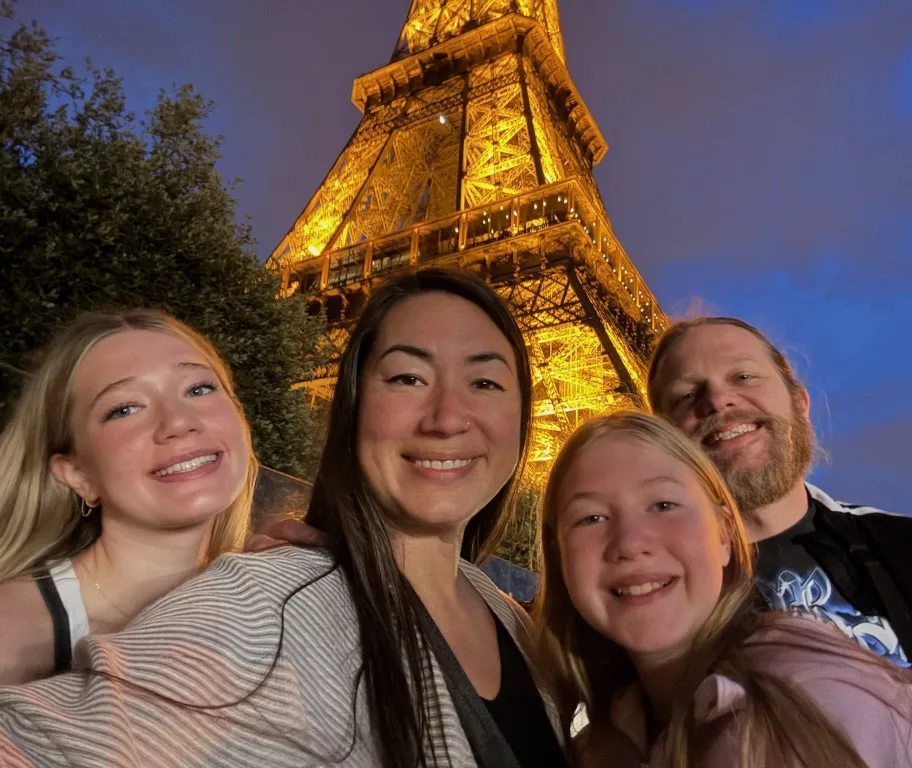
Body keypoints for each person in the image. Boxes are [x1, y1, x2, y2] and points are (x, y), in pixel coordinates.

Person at [0, 268, 567, 768]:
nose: (446, 417)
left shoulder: (505, 615)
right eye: (406, 378)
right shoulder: (269, 597)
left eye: (486, 382)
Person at [645, 316, 912, 765]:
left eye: (743, 376)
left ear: (799, 402)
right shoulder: (653, 596)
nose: (717, 399)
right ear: (665, 440)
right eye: (687, 394)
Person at [537, 410, 912, 768]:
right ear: (558, 557)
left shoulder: (818, 709)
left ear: (726, 535)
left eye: (664, 504)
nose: (630, 543)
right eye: (590, 518)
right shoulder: (613, 732)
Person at [0, 309, 257, 684]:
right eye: (124, 409)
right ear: (78, 475)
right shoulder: (14, 637)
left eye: (199, 389)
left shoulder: (265, 589)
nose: (179, 421)